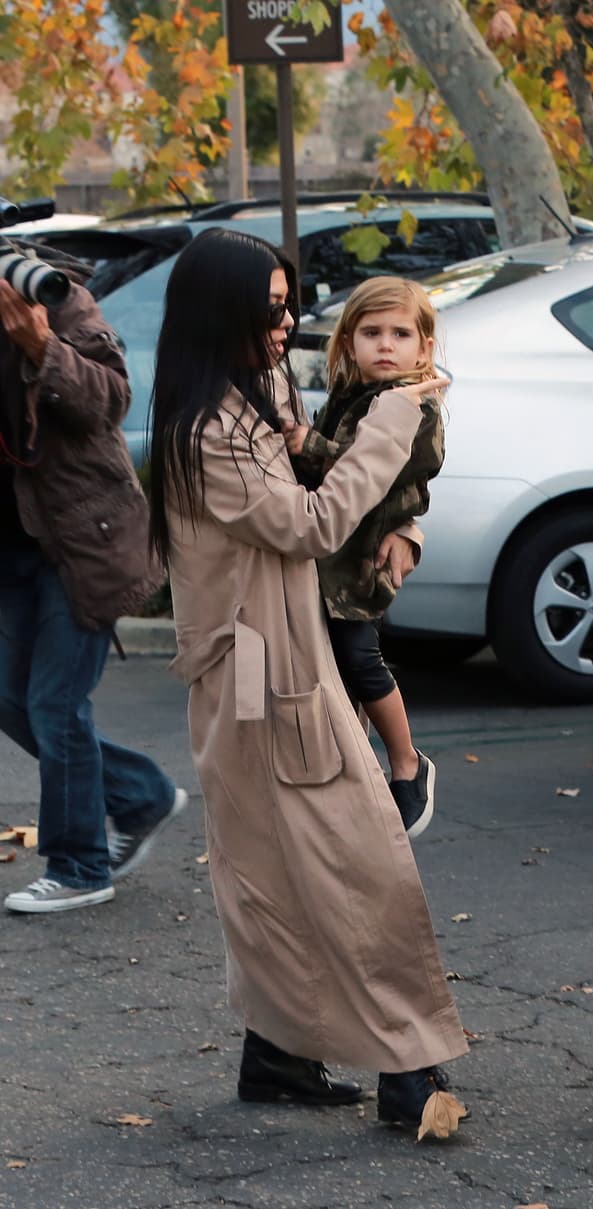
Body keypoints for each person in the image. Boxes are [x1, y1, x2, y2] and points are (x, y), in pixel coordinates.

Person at [147, 228, 467, 1131]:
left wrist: (406, 521)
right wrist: (396, 417)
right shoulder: (210, 426)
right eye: (271, 308)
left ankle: (279, 1053)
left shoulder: (249, 393)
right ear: (227, 314)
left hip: (268, 663)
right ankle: (406, 1067)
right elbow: (316, 521)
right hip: (262, 672)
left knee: (279, 871)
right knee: (358, 864)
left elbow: (355, 494)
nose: (287, 322)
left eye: (290, 304)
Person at [0, 244, 186, 915]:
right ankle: (141, 795)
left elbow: (111, 397)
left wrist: (41, 346)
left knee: (53, 703)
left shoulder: (58, 298)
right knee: (13, 700)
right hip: (13, 548)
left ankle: (79, 864)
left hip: (82, 542)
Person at [284, 276, 445, 836]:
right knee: (332, 671)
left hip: (360, 567)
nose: (385, 345)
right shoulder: (350, 397)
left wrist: (311, 447)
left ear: (424, 348)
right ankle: (358, 773)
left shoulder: (414, 408)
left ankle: (407, 760)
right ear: (348, 341)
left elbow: (379, 476)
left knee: (359, 659)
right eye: (371, 332)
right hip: (328, 559)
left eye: (401, 333)